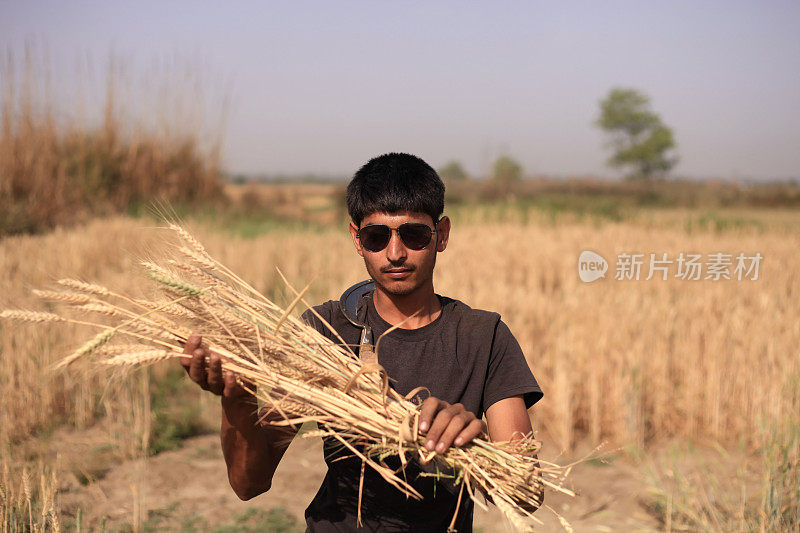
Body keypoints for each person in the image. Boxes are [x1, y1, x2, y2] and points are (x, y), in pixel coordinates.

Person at [180, 153, 543, 532]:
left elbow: (526, 497)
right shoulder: (325, 332)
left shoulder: (483, 336)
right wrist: (237, 394)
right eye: (376, 236)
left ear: (442, 234)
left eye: (414, 234)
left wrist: (478, 444)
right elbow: (248, 484)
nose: (395, 253)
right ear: (356, 238)